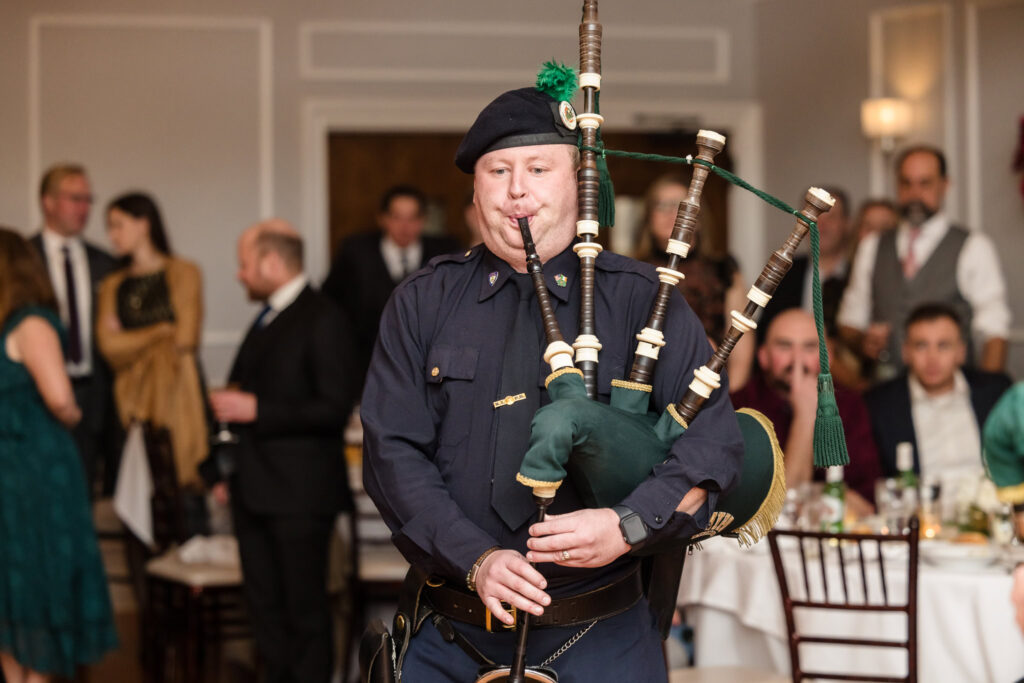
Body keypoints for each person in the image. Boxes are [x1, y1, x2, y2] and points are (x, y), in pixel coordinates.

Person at [361, 83, 743, 682]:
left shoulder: (647, 301)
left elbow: (713, 448)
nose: (517, 189)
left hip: (604, 641)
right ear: (475, 190)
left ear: (580, 182)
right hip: (450, 640)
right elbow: (391, 454)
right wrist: (475, 558)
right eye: (498, 170)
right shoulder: (421, 303)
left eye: (538, 168)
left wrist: (627, 524)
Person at [207, 219, 357, 683]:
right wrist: (222, 470)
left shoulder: (323, 317)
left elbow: (334, 407)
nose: (240, 274)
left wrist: (257, 408)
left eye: (245, 263)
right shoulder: (268, 315)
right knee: (266, 614)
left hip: (300, 495)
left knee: (304, 614)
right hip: (255, 489)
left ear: (272, 263)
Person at [0, 227, 118, 682]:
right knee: (37, 576)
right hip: (34, 468)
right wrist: (66, 418)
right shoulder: (32, 322)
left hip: (18, 468)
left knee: (18, 581)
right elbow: (60, 399)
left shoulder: (18, 323)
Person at [838, 145, 1011, 379]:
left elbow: (994, 331)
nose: (914, 195)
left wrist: (989, 393)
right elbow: (850, 322)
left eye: (925, 183)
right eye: (906, 183)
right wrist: (864, 341)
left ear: (945, 185)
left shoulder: (973, 246)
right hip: (886, 390)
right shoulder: (873, 247)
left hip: (951, 393)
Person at [95, 192, 208, 490]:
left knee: (181, 483)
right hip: (130, 398)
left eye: (118, 225)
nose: (112, 235)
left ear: (143, 224)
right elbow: (109, 347)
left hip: (178, 392)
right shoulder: (113, 285)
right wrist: (160, 330)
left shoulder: (184, 272)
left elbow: (185, 337)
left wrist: (130, 338)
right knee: (138, 486)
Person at [731, 309, 880, 516]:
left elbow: (866, 504)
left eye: (810, 347)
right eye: (784, 346)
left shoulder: (849, 405)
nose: (797, 359)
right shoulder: (737, 406)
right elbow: (766, 511)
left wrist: (813, 495)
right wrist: (806, 415)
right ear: (763, 356)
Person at [29, 163, 117, 498]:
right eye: (74, 199)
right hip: (37, 394)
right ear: (48, 202)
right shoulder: (25, 258)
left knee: (83, 490)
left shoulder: (105, 263)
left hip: (93, 393)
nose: (84, 208)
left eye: (88, 199)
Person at [321, 185, 461, 386]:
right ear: (383, 219)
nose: (405, 226)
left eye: (412, 218)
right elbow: (331, 302)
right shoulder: (355, 252)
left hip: (428, 366)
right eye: (397, 217)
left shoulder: (445, 251)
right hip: (366, 365)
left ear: (423, 220)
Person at [864, 303, 1011, 481]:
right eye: (921, 346)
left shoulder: (995, 392)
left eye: (943, 346)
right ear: (905, 352)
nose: (932, 358)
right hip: (919, 506)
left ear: (961, 352)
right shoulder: (879, 404)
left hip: (992, 502)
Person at [634, 174, 754, 390]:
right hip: (646, 385)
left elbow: (740, 339)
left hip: (713, 385)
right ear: (648, 218)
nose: (673, 213)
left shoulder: (724, 268)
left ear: (699, 218)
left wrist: (730, 395)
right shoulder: (633, 269)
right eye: (662, 205)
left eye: (682, 206)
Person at [760, 186, 853, 342]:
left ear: (846, 223)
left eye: (830, 218)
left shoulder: (859, 274)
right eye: (814, 218)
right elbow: (766, 331)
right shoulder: (784, 272)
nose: (821, 226)